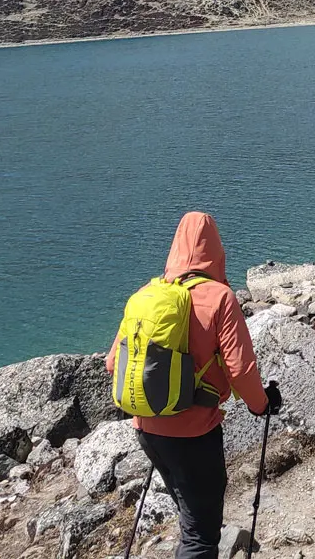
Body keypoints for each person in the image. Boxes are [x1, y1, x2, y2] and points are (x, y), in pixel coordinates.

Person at [105, 212, 281, 559]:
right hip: (194, 434)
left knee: (190, 518)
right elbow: (241, 369)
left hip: (148, 429)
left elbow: (112, 363)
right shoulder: (219, 298)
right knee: (201, 534)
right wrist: (262, 405)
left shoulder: (147, 294)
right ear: (216, 251)